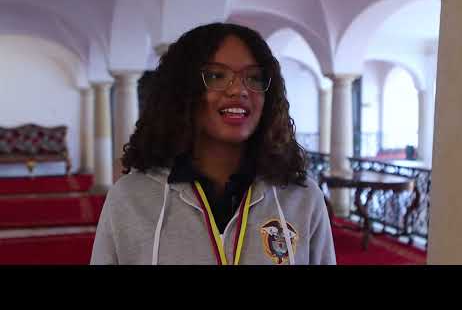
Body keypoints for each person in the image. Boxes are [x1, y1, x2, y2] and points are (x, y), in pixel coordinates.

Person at [90, 23, 336, 265]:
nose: (239, 90)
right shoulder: (130, 198)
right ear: (182, 91)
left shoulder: (302, 199)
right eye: (217, 76)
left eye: (254, 77)